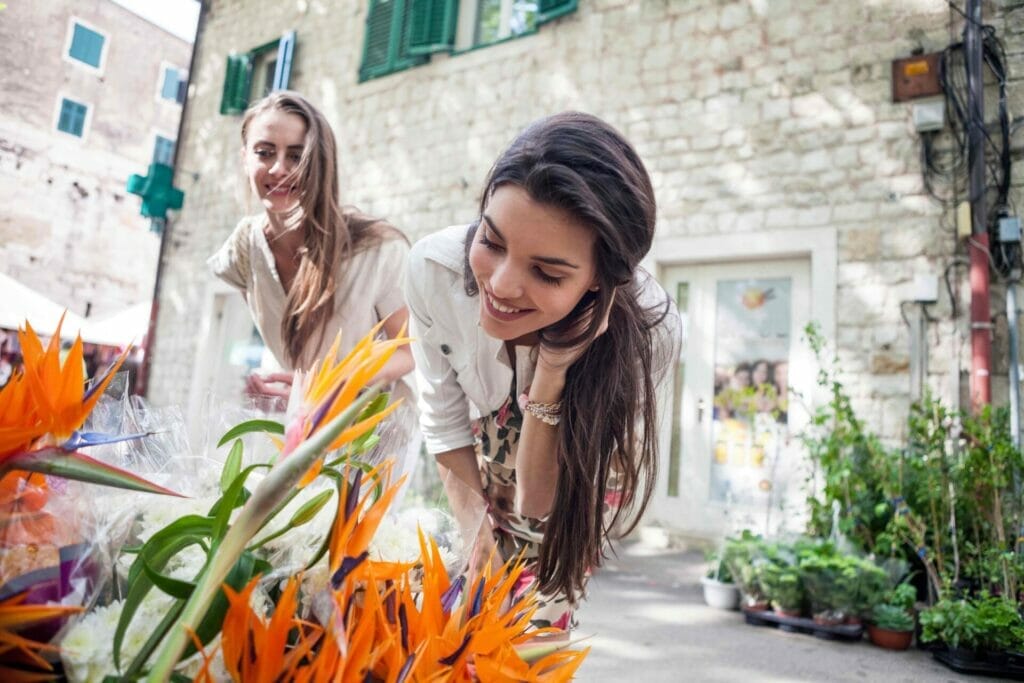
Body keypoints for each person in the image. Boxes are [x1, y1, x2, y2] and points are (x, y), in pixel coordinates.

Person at [406, 112, 681, 630]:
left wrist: (553, 370)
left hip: (567, 479)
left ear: (600, 281)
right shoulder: (433, 271)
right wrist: (474, 537)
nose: (503, 285)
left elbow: (540, 501)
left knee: (534, 629)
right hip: (476, 457)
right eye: (491, 241)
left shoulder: (651, 333)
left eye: (547, 272)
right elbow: (442, 422)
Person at [208, 91, 416, 468]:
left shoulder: (377, 249)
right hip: (299, 427)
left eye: (296, 155)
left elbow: (412, 349)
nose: (278, 169)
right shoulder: (243, 250)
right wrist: (283, 384)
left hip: (373, 436)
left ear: (319, 163)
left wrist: (339, 378)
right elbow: (295, 348)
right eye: (265, 152)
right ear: (244, 158)